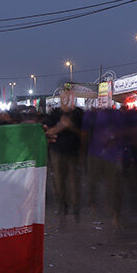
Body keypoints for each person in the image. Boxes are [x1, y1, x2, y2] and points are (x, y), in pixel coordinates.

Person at [44, 87, 84, 217]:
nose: (67, 99)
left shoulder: (78, 113)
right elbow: (48, 132)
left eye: (69, 96)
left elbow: (84, 133)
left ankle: (75, 207)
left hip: (74, 152)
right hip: (57, 152)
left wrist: (71, 127)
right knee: (58, 181)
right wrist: (61, 126)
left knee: (74, 181)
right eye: (64, 96)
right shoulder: (54, 114)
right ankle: (62, 205)